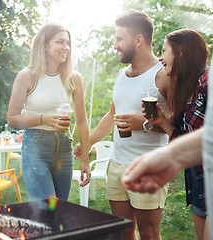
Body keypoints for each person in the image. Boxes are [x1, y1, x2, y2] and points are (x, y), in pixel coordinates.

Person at [75, 10, 171, 240]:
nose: (115, 45)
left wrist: (145, 124)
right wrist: (89, 142)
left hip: (148, 166)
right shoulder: (121, 74)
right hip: (117, 164)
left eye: (119, 38)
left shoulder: (163, 75)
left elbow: (176, 124)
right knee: (122, 233)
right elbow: (112, 114)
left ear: (138, 39)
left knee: (149, 234)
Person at [7, 23, 91, 201]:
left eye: (68, 43)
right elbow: (13, 119)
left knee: (60, 208)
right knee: (45, 211)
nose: (66, 47)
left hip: (64, 147)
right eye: (60, 42)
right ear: (45, 45)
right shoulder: (27, 76)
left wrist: (85, 159)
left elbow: (82, 121)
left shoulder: (74, 78)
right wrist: (43, 119)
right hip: (35, 146)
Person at [143, 29, 208, 240]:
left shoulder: (207, 85)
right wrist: (160, 120)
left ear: (180, 51)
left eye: (164, 51)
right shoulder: (189, 89)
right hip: (200, 186)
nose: (160, 57)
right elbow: (186, 144)